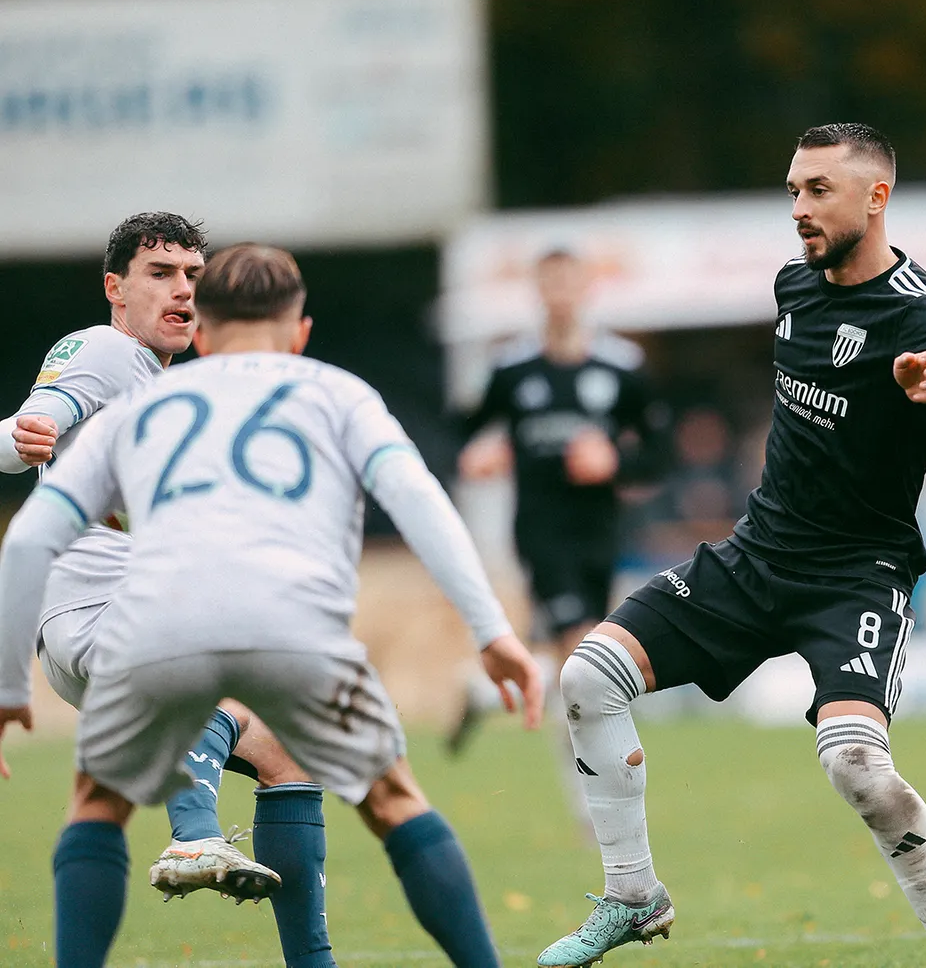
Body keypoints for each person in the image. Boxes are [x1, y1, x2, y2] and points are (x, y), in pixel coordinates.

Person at [0, 243, 545, 968]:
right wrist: (492, 631)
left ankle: (192, 833)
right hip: (296, 627)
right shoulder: (339, 393)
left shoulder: (140, 411)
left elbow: (28, 538)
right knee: (392, 798)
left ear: (202, 334)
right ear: (300, 333)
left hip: (161, 625)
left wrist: (8, 686)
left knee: (100, 801)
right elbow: (419, 499)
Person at [537, 123, 926, 968]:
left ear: (876, 197)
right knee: (586, 677)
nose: (799, 207)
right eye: (793, 190)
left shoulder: (923, 308)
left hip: (857, 576)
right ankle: (633, 892)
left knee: (857, 767)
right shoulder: (795, 285)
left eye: (818, 189)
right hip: (758, 555)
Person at [0, 213, 346, 967]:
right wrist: (22, 434)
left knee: (284, 754)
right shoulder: (105, 349)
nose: (183, 290)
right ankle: (193, 836)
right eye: (161, 273)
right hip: (102, 613)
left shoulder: (166, 386)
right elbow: (37, 420)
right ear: (114, 288)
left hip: (108, 626)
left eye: (193, 275)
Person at [449, 250, 669, 823]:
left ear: (587, 289)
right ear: (538, 292)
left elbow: (658, 453)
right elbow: (462, 431)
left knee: (581, 659)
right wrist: (481, 451)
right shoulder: (512, 369)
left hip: (600, 534)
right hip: (541, 535)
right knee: (583, 658)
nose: (561, 295)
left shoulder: (620, 366)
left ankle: (484, 692)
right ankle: (592, 805)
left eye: (570, 283)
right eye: (550, 285)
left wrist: (615, 461)